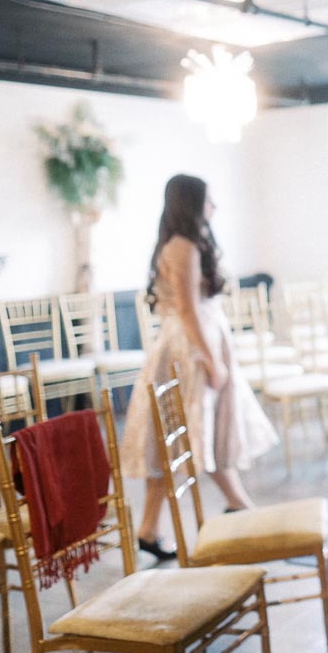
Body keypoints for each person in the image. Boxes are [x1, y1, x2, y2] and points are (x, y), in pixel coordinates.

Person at [121, 174, 277, 560]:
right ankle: (241, 506)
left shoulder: (183, 243)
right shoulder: (183, 246)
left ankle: (150, 528)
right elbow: (188, 309)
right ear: (191, 203)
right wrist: (212, 359)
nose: (214, 206)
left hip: (193, 341)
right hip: (189, 348)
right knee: (195, 430)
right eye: (208, 199)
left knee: (183, 434)